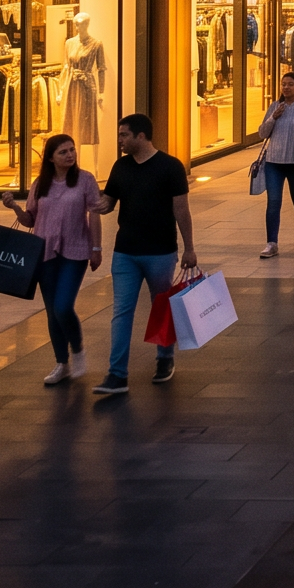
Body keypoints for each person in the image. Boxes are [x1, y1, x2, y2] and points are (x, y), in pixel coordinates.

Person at [92, 113, 195, 396]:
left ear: (141, 136)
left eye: (124, 135)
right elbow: (109, 202)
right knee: (121, 311)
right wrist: (91, 202)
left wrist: (189, 248)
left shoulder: (170, 167)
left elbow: (181, 210)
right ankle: (117, 374)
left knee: (161, 307)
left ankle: (164, 358)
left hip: (160, 251)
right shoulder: (121, 167)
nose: (120, 140)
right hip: (125, 251)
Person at [2, 132, 101, 384]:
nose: (70, 155)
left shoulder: (85, 180)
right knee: (51, 312)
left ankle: (77, 349)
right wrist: (13, 206)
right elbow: (30, 219)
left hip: (75, 250)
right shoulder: (40, 184)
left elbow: (95, 215)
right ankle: (61, 363)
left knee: (63, 306)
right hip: (44, 253)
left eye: (72, 150)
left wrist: (96, 248)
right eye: (63, 152)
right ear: (50, 158)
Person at [254, 70, 294, 255]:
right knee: (274, 201)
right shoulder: (275, 106)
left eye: (290, 84)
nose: (286, 87)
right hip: (274, 162)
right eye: (283, 84)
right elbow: (262, 133)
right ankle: (272, 243)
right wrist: (273, 117)